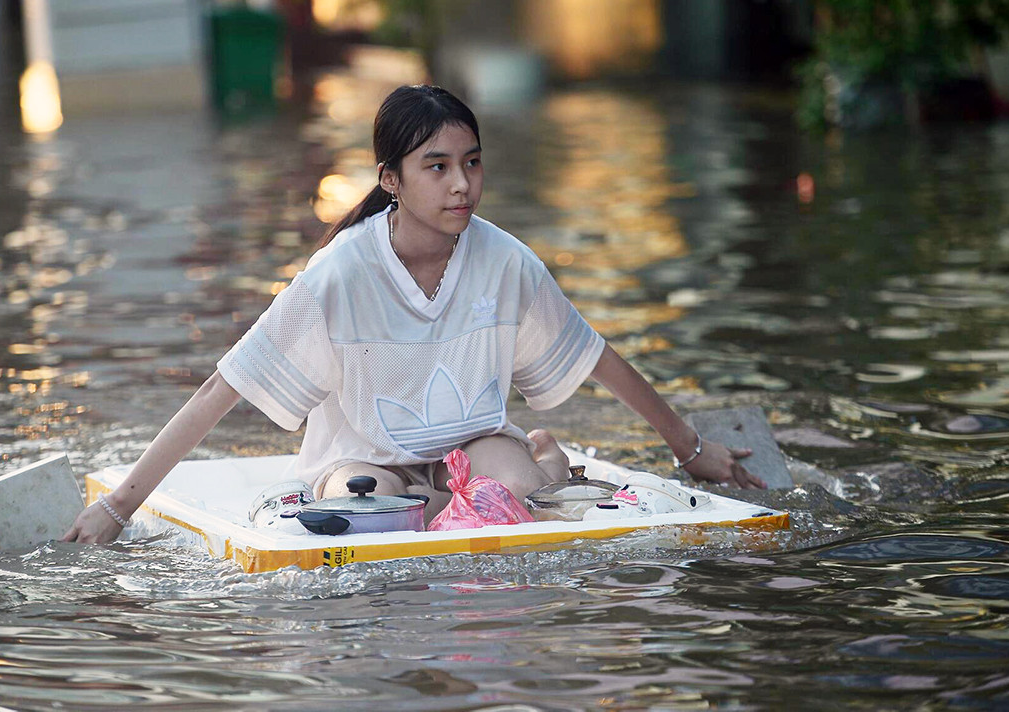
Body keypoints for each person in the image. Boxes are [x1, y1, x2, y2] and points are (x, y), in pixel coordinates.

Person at [62, 85, 763, 545]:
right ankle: (513, 470)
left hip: (474, 445)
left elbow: (595, 355)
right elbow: (226, 386)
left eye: (472, 163)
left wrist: (689, 448)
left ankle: (543, 462)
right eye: (437, 167)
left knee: (514, 496)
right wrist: (118, 507)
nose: (462, 185)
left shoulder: (505, 260)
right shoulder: (340, 271)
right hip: (366, 462)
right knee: (363, 513)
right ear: (390, 180)